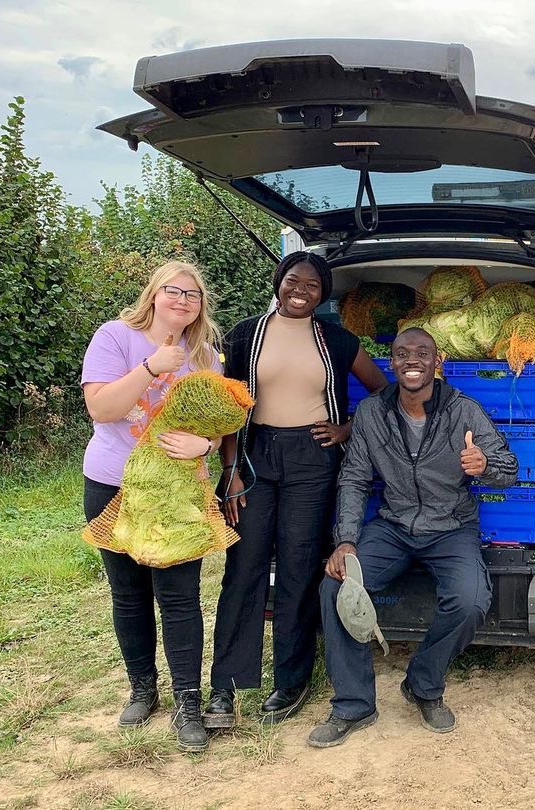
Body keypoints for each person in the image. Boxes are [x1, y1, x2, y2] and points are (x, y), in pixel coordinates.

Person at [307, 328, 518, 747]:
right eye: (403, 353)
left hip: (451, 526)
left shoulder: (463, 410)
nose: (412, 360)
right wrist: (346, 541)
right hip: (394, 525)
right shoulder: (371, 413)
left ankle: (423, 684)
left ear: (436, 362)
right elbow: (353, 479)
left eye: (422, 353)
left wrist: (484, 464)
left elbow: (508, 466)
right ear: (393, 363)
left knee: (471, 599)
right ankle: (353, 704)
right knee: (335, 589)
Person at [205, 251, 387, 729]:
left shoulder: (337, 339)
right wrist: (231, 470)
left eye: (311, 285)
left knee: (298, 566)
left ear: (322, 293)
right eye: (293, 281)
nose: (300, 290)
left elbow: (382, 390)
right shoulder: (245, 334)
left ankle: (291, 679)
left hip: (314, 457)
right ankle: (225, 685)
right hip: (255, 456)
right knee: (243, 565)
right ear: (279, 282)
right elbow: (229, 407)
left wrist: (346, 429)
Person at [81, 261, 225, 752]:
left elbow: (221, 422)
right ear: (154, 293)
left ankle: (188, 702)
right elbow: (102, 409)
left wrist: (205, 446)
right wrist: (149, 369)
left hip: (180, 492)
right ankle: (143, 688)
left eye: (194, 294)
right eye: (174, 290)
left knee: (180, 597)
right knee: (129, 592)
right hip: (115, 484)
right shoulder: (115, 337)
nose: (184, 299)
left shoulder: (205, 354)